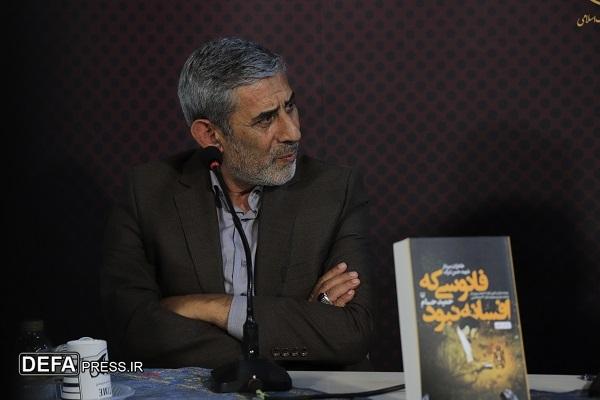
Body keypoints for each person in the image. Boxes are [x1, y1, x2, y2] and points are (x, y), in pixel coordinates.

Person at [101, 37, 373, 370]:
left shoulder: (335, 190)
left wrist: (210, 308)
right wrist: (298, 327)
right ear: (210, 135)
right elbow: (136, 330)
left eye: (290, 106)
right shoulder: (146, 193)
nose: (293, 132)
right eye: (266, 119)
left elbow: (351, 333)